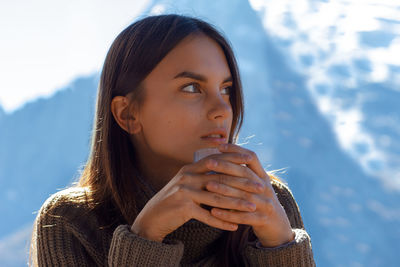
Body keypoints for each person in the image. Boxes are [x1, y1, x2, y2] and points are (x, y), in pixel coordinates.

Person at [30, 14, 315, 266]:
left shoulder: (269, 203)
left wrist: (281, 246)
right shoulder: (69, 221)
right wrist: (145, 237)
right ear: (127, 113)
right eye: (192, 88)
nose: (222, 110)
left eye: (226, 89)